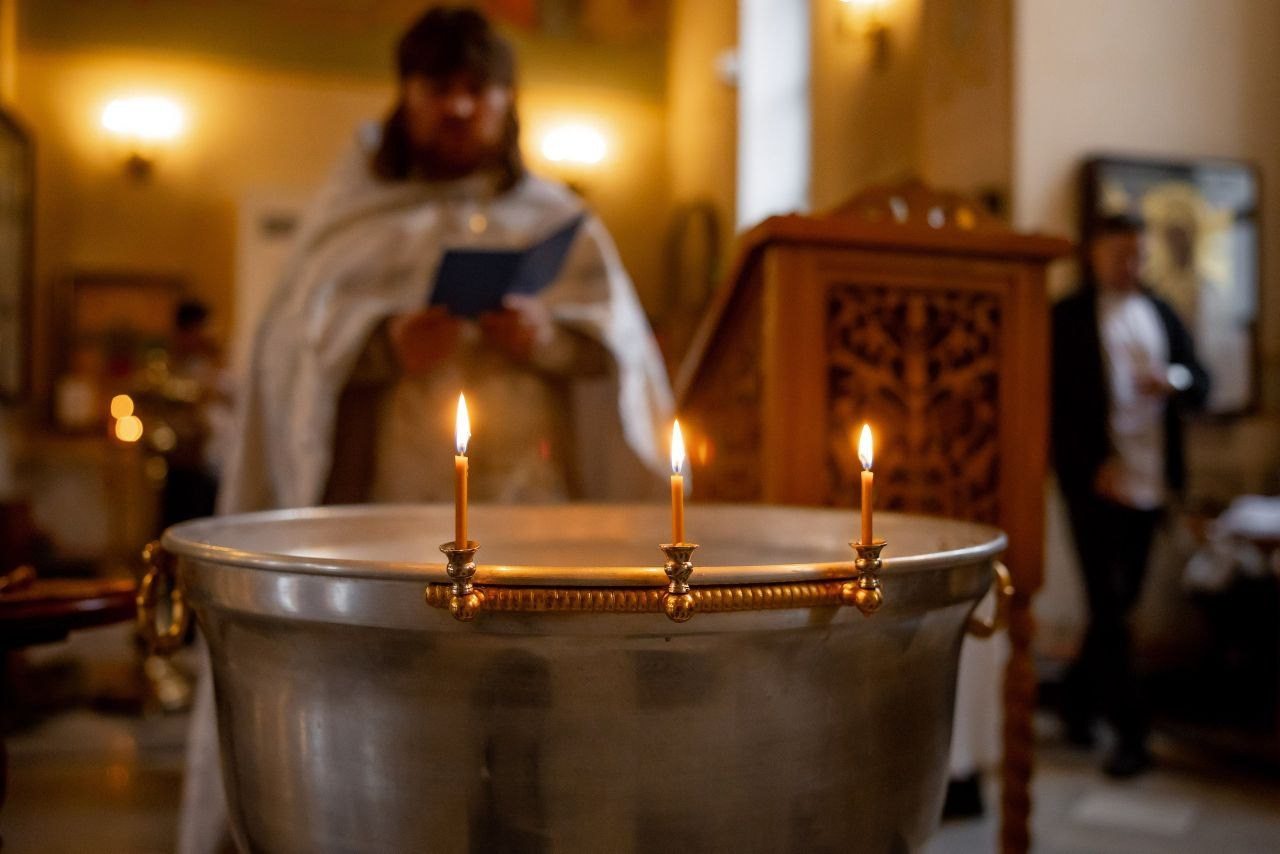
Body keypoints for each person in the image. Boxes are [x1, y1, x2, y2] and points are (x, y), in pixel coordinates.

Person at [179, 7, 673, 851]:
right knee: (399, 719)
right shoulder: (351, 221)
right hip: (389, 517)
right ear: (405, 97)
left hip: (536, 516)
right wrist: (380, 348)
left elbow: (624, 358)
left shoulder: (558, 219)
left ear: (507, 101)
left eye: (477, 89)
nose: (458, 107)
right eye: (438, 88)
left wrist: (548, 341)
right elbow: (288, 358)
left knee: (532, 721)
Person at [1051, 214, 1209, 778]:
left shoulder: (1161, 311)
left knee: (1118, 606)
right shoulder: (1067, 316)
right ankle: (1132, 735)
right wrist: (1090, 465)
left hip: (1150, 478)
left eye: (1139, 254)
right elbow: (1054, 405)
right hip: (1096, 483)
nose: (1131, 264)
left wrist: (1175, 381)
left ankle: (1074, 701)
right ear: (1094, 253)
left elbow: (1200, 380)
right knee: (1110, 605)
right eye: (1121, 253)